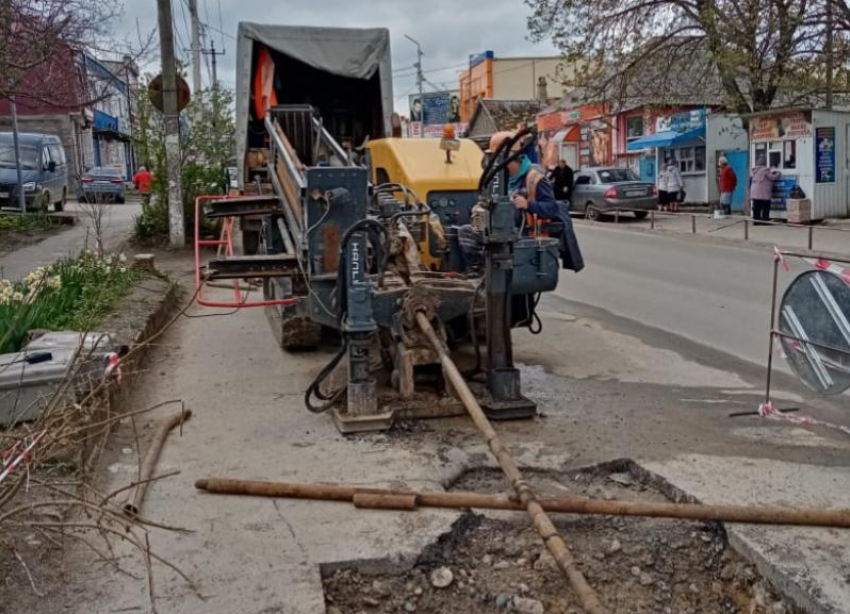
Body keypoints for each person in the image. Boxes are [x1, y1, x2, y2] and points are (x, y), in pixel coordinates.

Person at [458, 131, 584, 273]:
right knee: (465, 232)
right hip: (500, 231)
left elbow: (552, 208)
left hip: (523, 236)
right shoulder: (501, 179)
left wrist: (528, 205)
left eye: (494, 158)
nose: (492, 163)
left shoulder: (535, 178)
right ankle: (480, 270)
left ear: (507, 157)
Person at [750, 156, 780, 225]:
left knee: (756, 206)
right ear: (764, 163)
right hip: (763, 192)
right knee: (766, 206)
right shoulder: (765, 170)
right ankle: (765, 221)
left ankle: (756, 221)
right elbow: (772, 177)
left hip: (754, 191)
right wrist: (778, 173)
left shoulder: (755, 170)